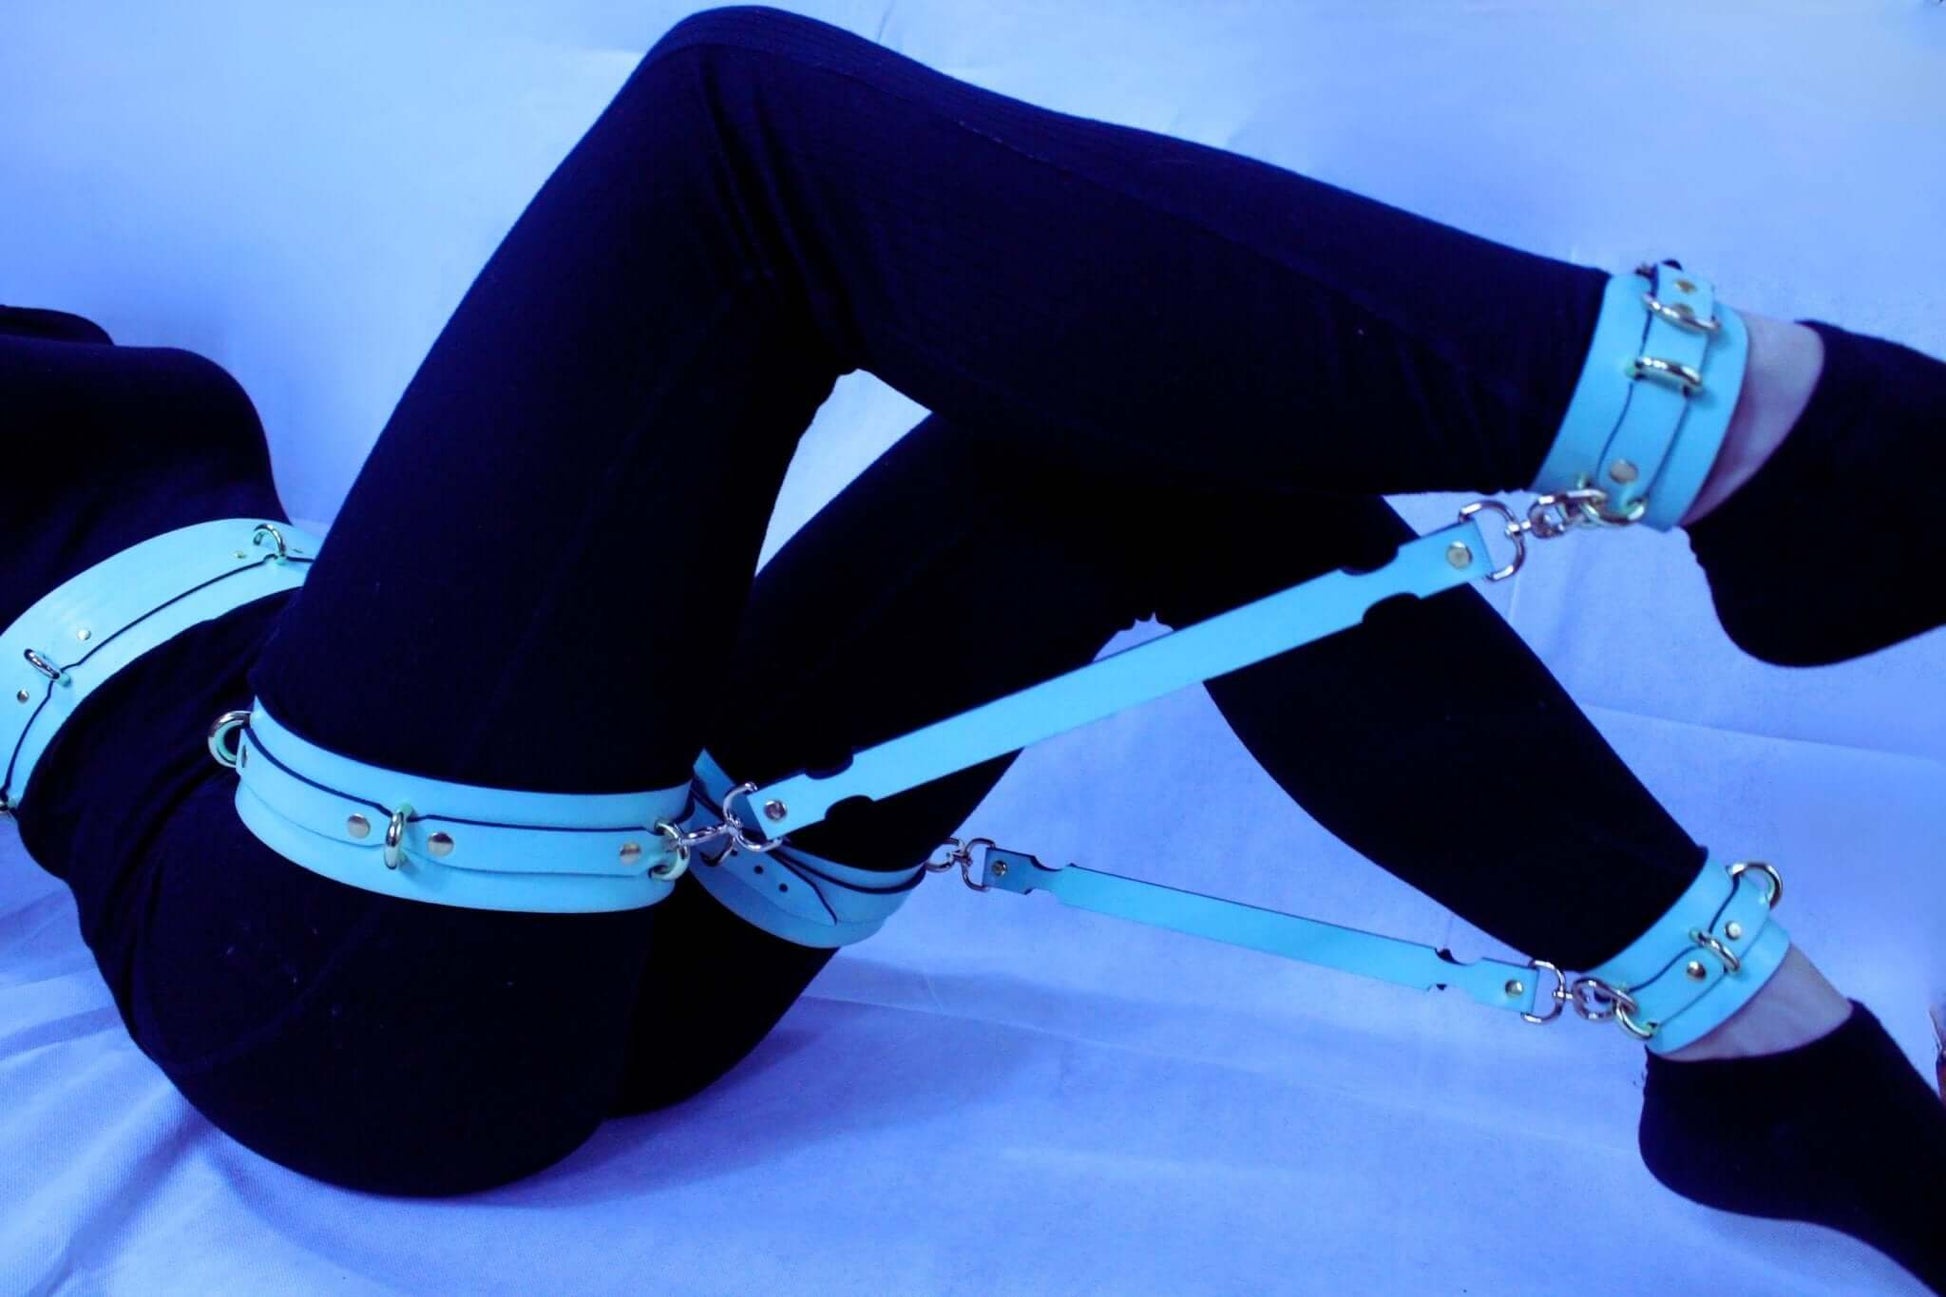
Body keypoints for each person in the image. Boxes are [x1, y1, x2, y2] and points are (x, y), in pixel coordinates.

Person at [2, 4, 1941, 1289]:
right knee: (731, 126)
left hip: (594, 917)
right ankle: (1780, 439)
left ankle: (1766, 1062)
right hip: (320, 975)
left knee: (1124, 445)